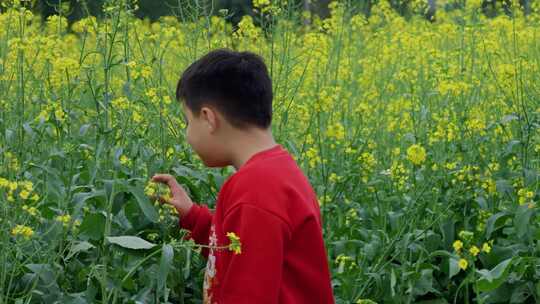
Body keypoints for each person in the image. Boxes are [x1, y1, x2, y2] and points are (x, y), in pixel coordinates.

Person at [151, 49, 334, 304]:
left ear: (208, 118)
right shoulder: (276, 173)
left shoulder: (255, 190)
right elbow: (241, 250)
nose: (187, 133)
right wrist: (193, 216)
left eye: (187, 122)